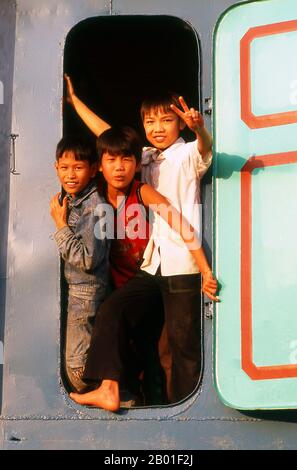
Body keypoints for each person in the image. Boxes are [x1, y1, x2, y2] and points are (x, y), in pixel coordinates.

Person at [64, 75, 214, 401]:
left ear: (180, 124)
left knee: (180, 345)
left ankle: (184, 412)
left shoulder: (187, 154)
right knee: (117, 312)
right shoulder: (142, 157)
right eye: (150, 121)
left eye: (167, 120)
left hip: (183, 263)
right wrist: (75, 102)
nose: (158, 127)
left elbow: (206, 147)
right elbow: (108, 137)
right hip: (152, 263)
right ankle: (111, 389)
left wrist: (199, 128)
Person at [50, 135, 110, 393]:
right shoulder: (78, 201)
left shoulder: (95, 207)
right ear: (56, 168)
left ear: (94, 168)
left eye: (78, 167)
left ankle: (119, 400)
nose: (70, 175)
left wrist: (61, 226)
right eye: (64, 168)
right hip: (79, 292)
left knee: (78, 372)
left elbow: (87, 259)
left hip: (85, 295)